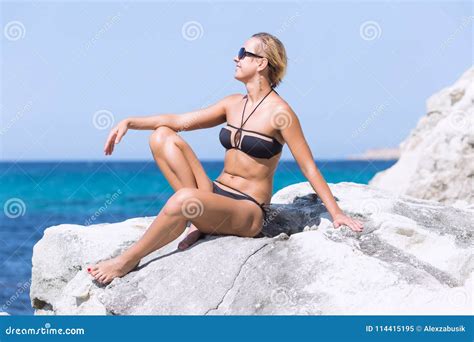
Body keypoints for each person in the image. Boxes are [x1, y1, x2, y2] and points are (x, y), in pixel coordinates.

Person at [88, 32, 364, 285]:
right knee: (161, 136)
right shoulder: (232, 103)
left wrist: (336, 213)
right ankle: (201, 221)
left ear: (261, 63)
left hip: (248, 210)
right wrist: (130, 122)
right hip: (215, 193)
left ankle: (127, 260)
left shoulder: (281, 113)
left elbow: (308, 166)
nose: (236, 57)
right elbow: (179, 121)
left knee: (184, 200)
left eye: (244, 53)